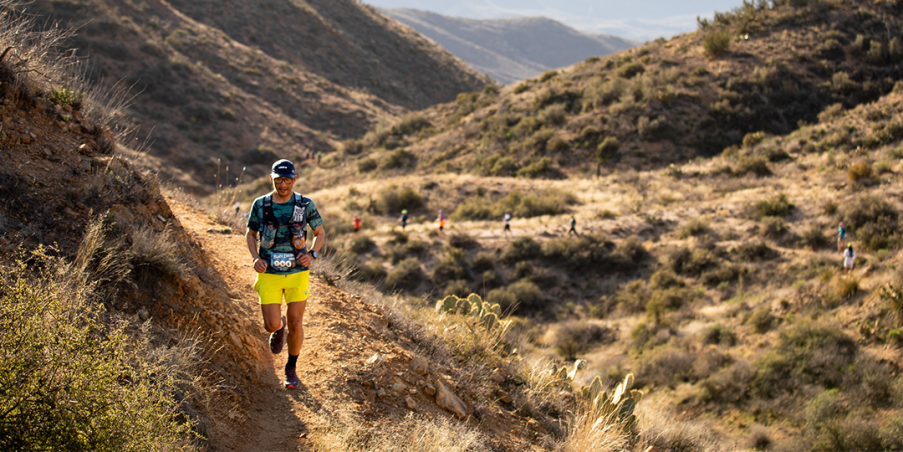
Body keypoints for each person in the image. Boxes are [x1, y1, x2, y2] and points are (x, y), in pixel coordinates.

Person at [246, 159, 326, 389]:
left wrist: (312, 255)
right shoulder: (260, 205)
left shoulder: (305, 204)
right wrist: (255, 258)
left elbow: (320, 233)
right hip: (269, 271)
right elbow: (250, 234)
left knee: (297, 322)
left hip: (297, 273)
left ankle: (291, 369)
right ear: (271, 178)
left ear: (294, 180)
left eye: (287, 180)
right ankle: (278, 328)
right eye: (279, 180)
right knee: (270, 325)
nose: (283, 185)